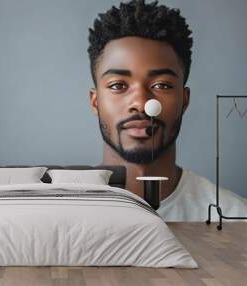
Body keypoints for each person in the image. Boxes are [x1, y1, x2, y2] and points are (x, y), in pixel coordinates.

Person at [87, 0, 247, 221]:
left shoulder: (234, 217)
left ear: (184, 99)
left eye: (161, 85)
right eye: (118, 85)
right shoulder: (62, 215)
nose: (142, 103)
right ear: (95, 102)